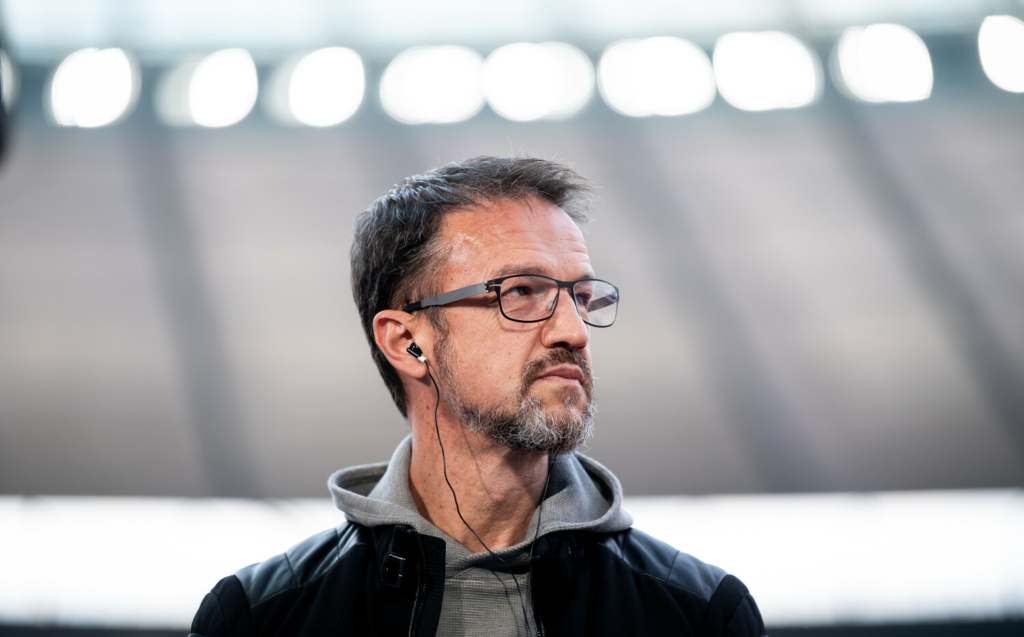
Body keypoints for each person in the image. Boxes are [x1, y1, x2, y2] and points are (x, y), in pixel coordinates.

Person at [190, 156, 765, 637]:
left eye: (582, 297)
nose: (574, 331)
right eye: (521, 291)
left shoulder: (701, 613)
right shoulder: (257, 619)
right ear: (408, 340)